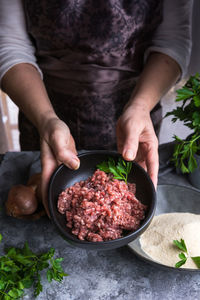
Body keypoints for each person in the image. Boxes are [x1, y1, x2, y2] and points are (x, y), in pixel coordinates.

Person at [0, 0, 193, 214]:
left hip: (135, 111)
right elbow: (10, 45)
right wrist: (46, 119)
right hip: (43, 107)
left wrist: (140, 106)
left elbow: (172, 41)